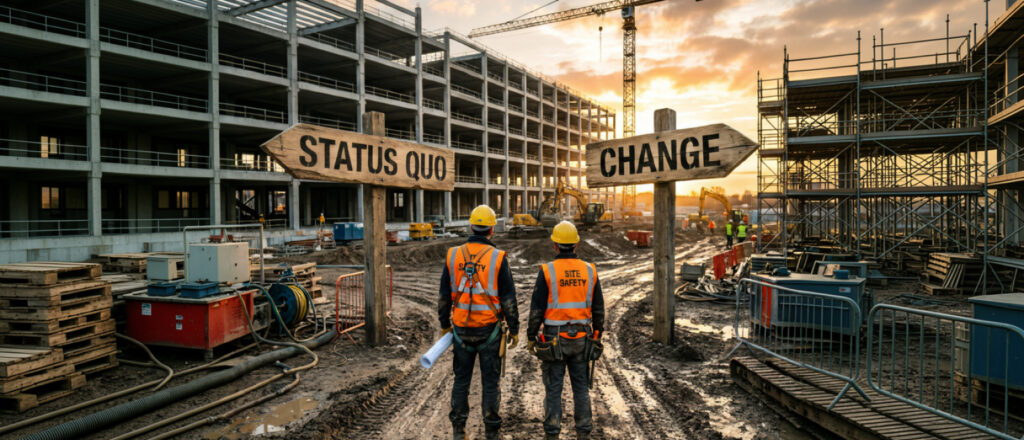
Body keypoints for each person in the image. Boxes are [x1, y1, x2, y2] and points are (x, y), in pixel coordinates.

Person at [438, 205, 519, 440]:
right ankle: (491, 432)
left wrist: (445, 325)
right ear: (492, 229)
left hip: (462, 331)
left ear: (470, 226)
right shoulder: (498, 258)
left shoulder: (453, 255)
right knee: (490, 382)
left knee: (461, 380)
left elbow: (444, 296)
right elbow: (508, 300)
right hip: (489, 332)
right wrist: (514, 329)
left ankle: (458, 430)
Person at [526, 221, 605, 440]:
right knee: (581, 388)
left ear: (555, 245)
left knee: (553, 389)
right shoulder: (589, 270)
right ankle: (583, 433)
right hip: (582, 337)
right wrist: (598, 331)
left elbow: (537, 308)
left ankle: (552, 433)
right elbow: (598, 307)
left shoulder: (547, 270)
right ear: (576, 244)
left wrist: (531, 336)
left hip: (554, 340)